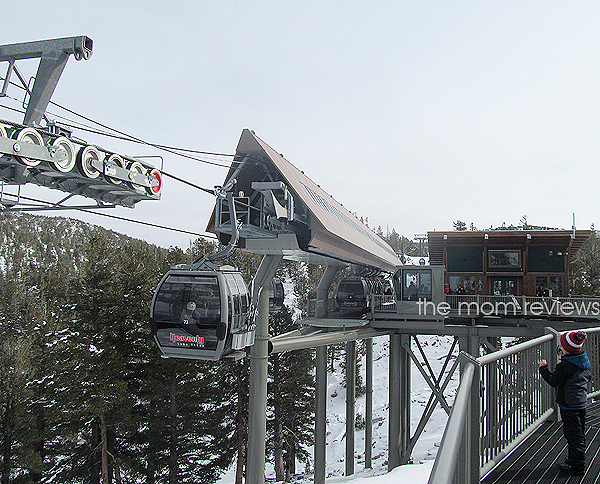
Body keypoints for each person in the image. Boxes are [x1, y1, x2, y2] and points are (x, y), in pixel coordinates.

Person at [539, 330, 591, 476]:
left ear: (565, 348)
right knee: (578, 433)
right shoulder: (583, 361)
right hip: (580, 402)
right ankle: (573, 460)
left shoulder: (565, 366)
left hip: (569, 405)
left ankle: (577, 466)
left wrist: (543, 368)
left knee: (573, 436)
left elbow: (553, 380)